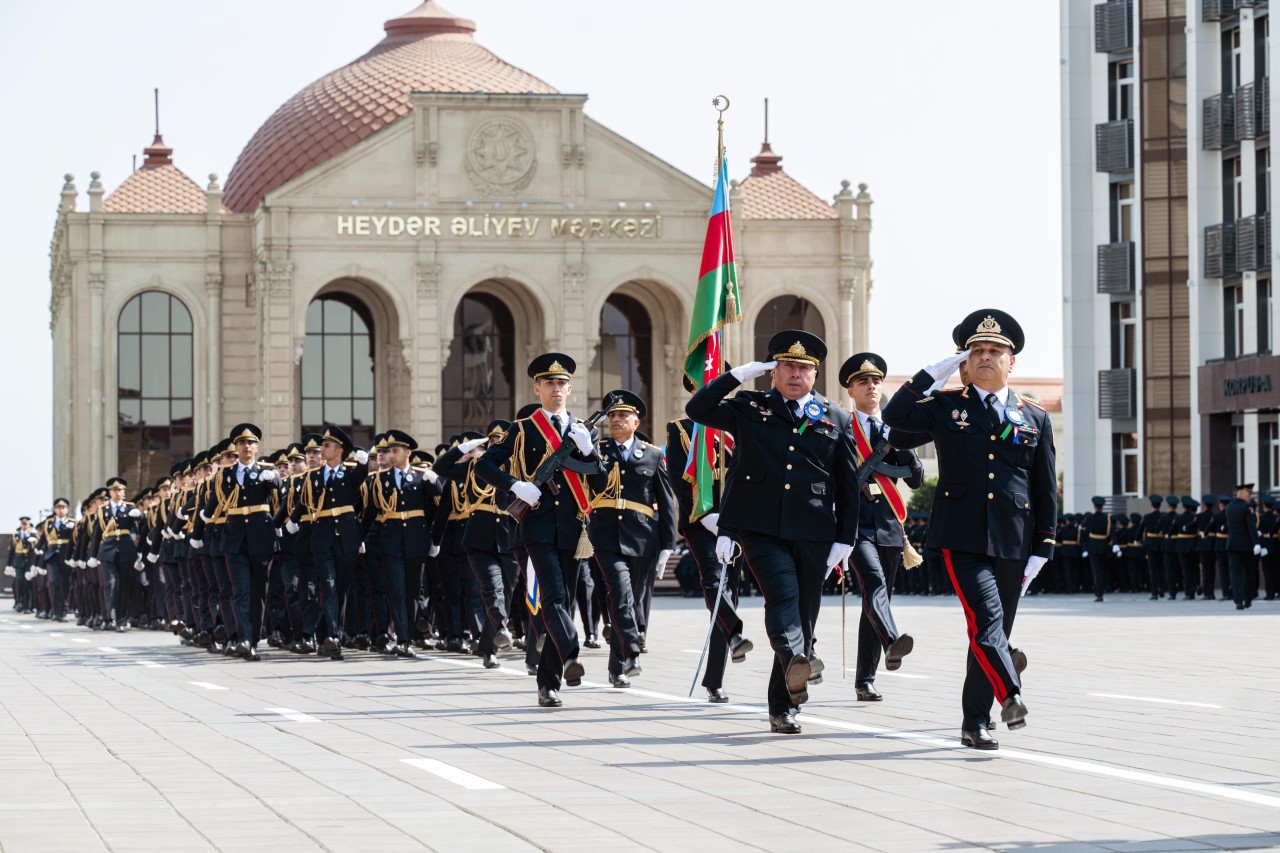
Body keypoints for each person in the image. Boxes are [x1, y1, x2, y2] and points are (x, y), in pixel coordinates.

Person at [882, 309, 1056, 750]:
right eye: (976, 351)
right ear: (963, 362)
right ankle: (1009, 695)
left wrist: (1045, 546)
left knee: (991, 631)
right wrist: (933, 373)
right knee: (987, 621)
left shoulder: (1033, 416)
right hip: (961, 536)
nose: (985, 357)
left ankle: (973, 721)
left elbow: (1044, 486)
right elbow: (896, 419)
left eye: (995, 351)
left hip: (1016, 539)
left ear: (1011, 362)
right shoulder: (945, 406)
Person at [686, 329, 859, 735]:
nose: (795, 374)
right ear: (773, 371)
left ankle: (784, 704)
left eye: (803, 368)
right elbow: (699, 408)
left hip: (815, 530)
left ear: (815, 374)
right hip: (759, 527)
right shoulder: (749, 405)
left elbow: (847, 483)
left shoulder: (837, 418)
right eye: (787, 366)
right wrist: (738, 375)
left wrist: (846, 538)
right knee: (782, 599)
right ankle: (798, 661)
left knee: (805, 616)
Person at [475, 353, 605, 707]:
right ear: (537, 387)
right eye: (549, 383)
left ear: (570, 388)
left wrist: (590, 450)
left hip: (574, 528)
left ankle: (550, 683)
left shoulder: (581, 429)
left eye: (562, 383)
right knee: (553, 597)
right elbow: (483, 466)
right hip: (537, 525)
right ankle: (571, 653)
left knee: (564, 601)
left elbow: (601, 480)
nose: (556, 388)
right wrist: (516, 486)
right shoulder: (522, 429)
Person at [837, 352, 926, 702]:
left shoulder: (893, 430)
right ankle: (892, 640)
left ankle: (865, 679)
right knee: (873, 583)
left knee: (877, 602)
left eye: (875, 381)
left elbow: (916, 479)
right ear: (851, 390)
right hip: (855, 524)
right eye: (863, 382)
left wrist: (900, 445)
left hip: (890, 526)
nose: (871, 386)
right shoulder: (841, 426)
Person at [667, 371, 754, 704]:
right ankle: (735, 632)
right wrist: (706, 516)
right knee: (714, 582)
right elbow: (678, 478)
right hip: (701, 521)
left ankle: (715, 678)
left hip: (739, 521)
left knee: (728, 592)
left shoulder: (739, 426)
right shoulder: (682, 429)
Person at [586, 390, 677, 689]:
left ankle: (617, 668)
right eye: (612, 416)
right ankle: (633, 652)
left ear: (636, 422)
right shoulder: (598, 451)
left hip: (642, 538)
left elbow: (665, 502)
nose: (615, 420)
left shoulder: (653, 454)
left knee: (629, 602)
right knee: (620, 593)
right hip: (606, 535)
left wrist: (667, 545)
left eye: (622, 415)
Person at [1225, 483, 1263, 610]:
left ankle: (1238, 601)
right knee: (1249, 573)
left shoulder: (1229, 507)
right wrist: (1257, 543)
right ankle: (1247, 599)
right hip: (1246, 545)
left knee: (1235, 573)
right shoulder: (1247, 508)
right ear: (1241, 493)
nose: (1250, 497)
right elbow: (1251, 527)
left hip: (1232, 544)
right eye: (1248, 494)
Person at [1082, 497, 1110, 602]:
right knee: (1103, 570)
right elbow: (1110, 533)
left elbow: (1084, 534)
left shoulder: (1089, 518)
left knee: (1096, 571)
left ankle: (1099, 594)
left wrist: (1085, 547)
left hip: (1093, 546)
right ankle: (1103, 588)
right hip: (1104, 546)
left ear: (1094, 506)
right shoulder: (1107, 518)